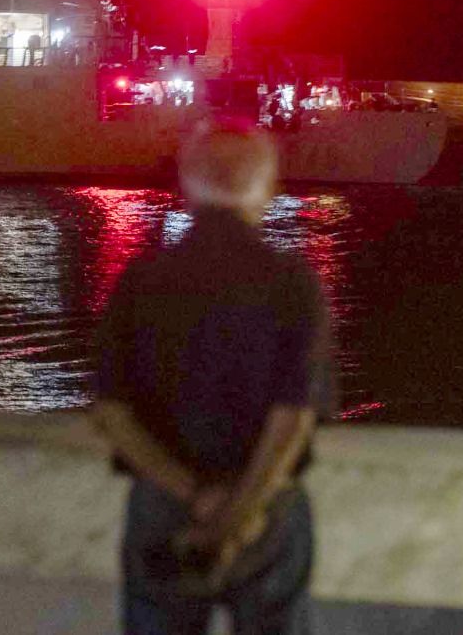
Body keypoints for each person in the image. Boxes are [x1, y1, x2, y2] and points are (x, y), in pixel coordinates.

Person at [92, 122, 331, 635]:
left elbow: (111, 414)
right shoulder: (293, 283)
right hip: (265, 514)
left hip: (165, 507)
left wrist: (195, 495)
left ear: (187, 186)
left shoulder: (141, 281)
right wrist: (240, 512)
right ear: (267, 189)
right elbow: (293, 418)